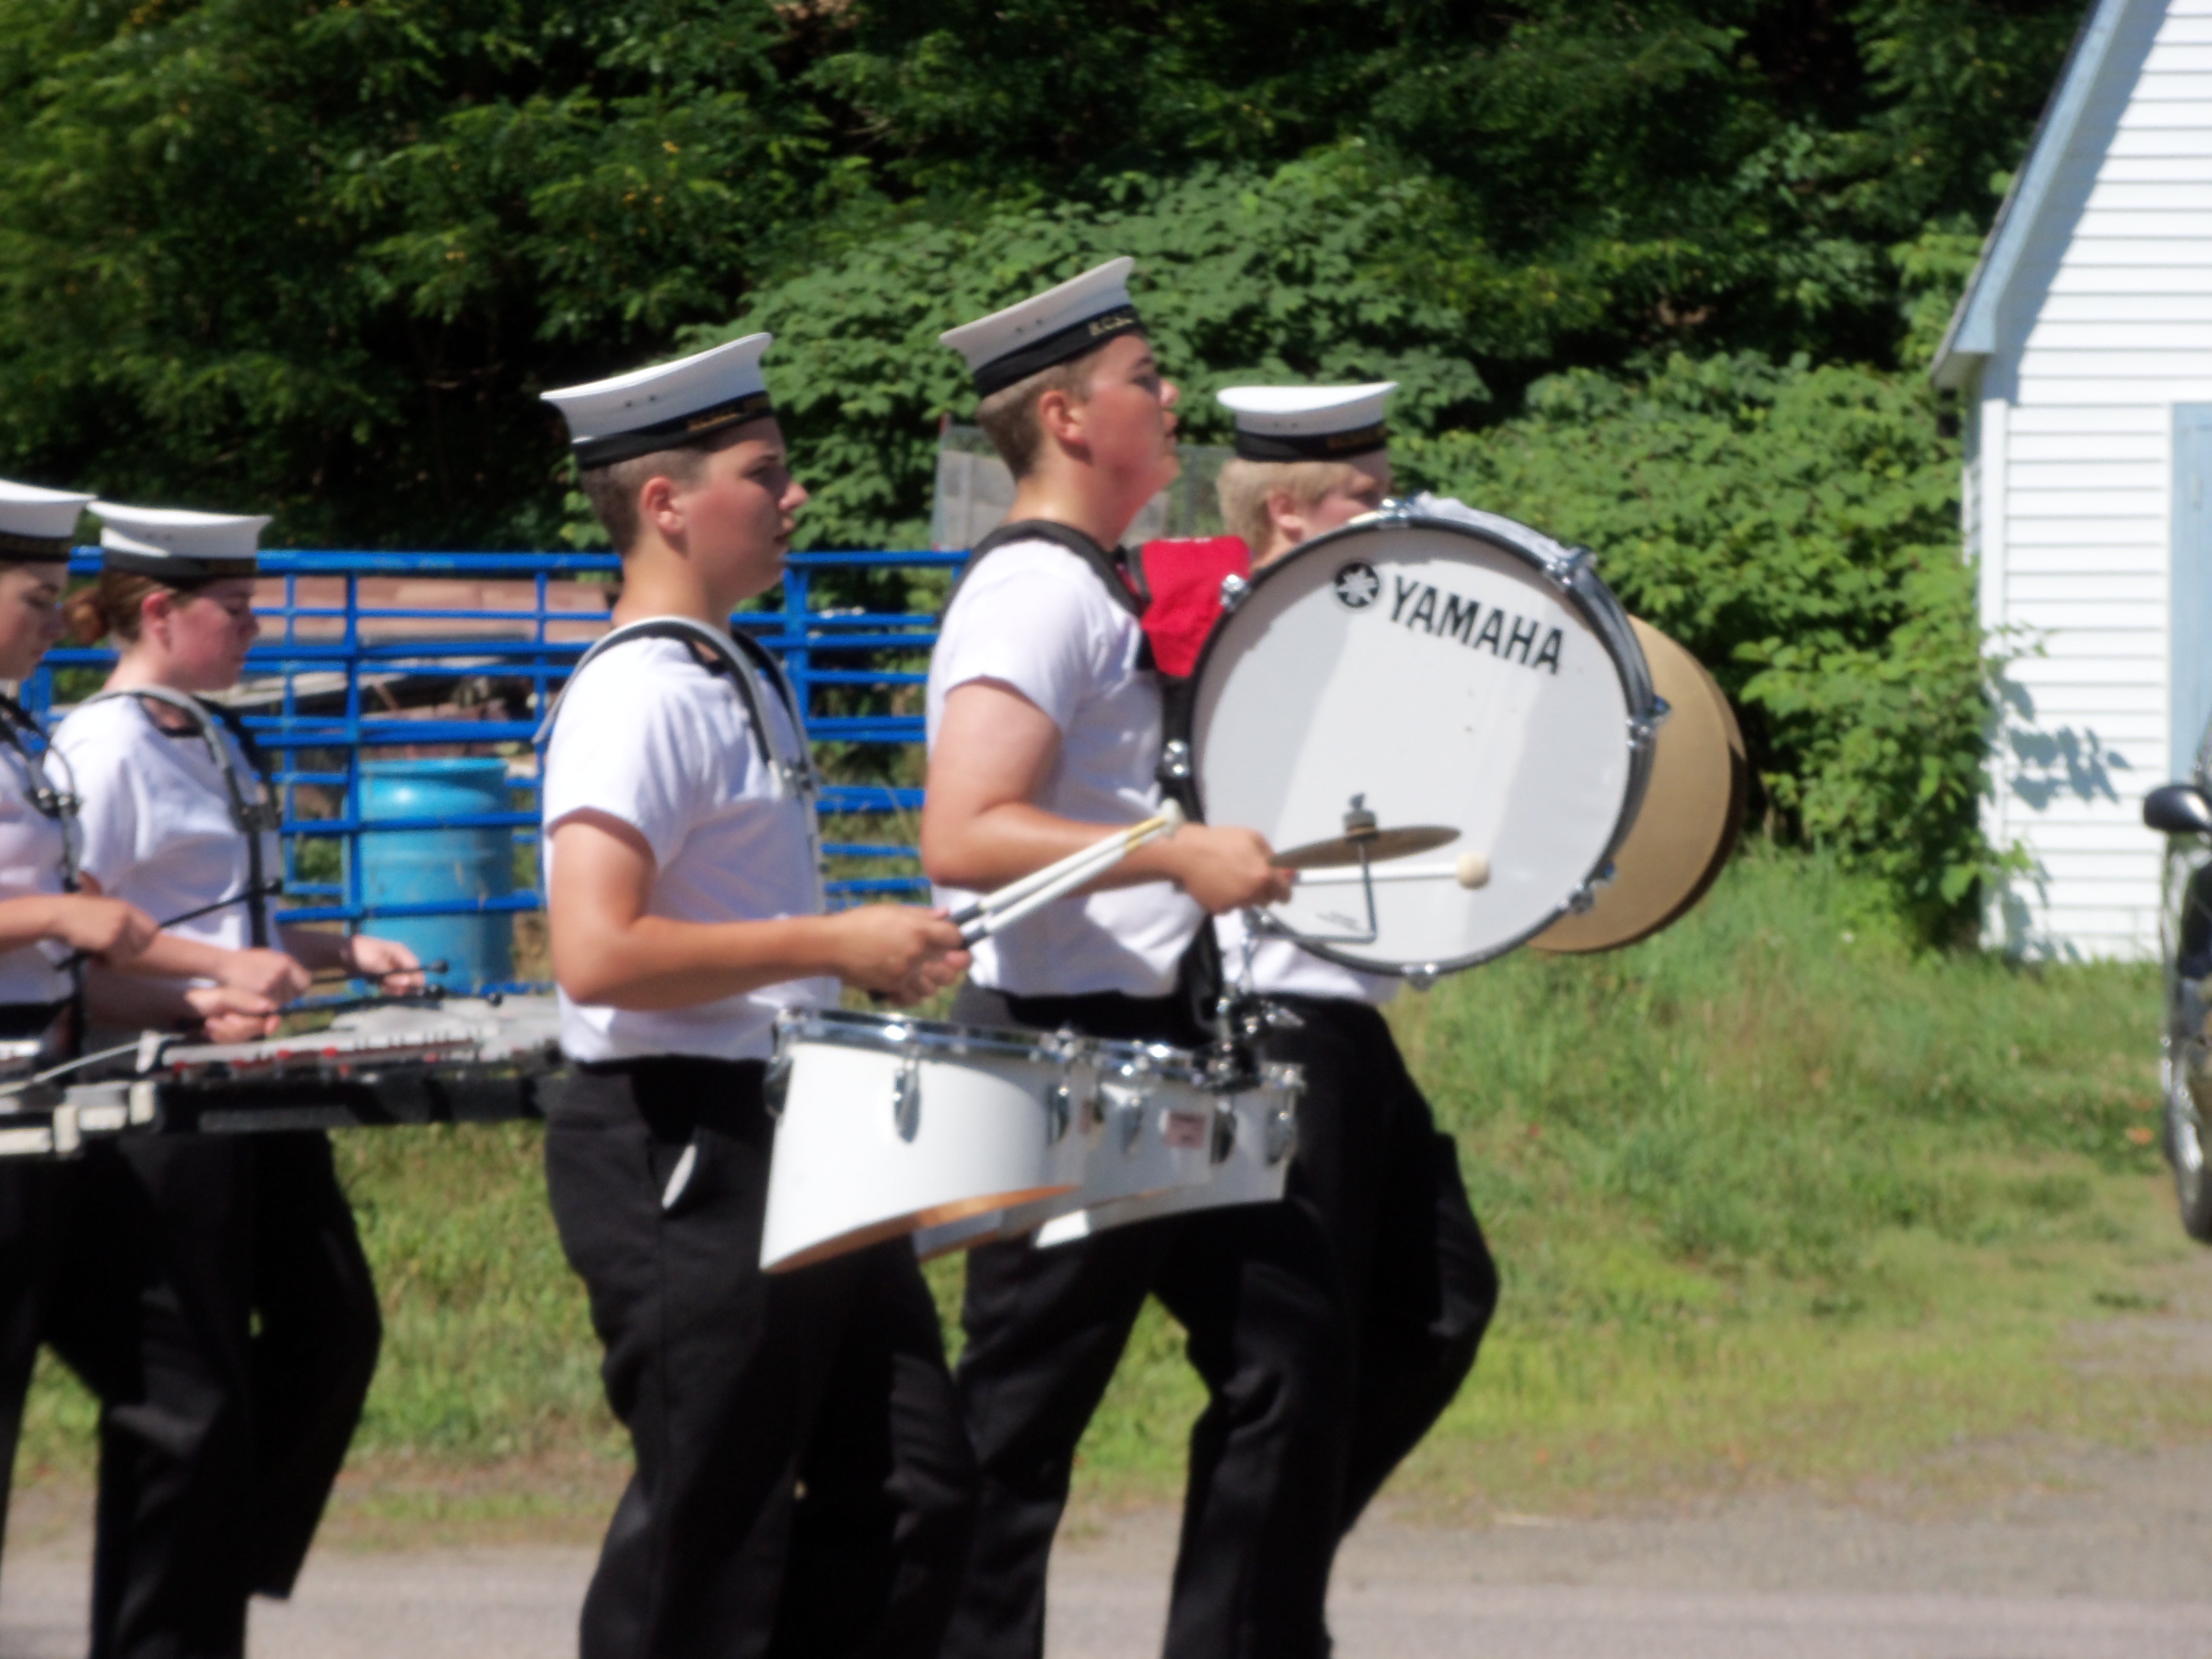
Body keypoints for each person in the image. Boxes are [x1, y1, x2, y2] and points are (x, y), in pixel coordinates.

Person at [921, 259, 1356, 1659]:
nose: (1172, 400)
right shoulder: (1032, 594)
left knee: (1291, 1353)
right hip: (1066, 1060)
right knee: (1013, 1438)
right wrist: (1178, 855)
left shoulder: (1090, 582)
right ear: (1065, 417)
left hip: (1153, 1048)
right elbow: (964, 829)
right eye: (1144, 380)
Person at [536, 331, 977, 1659]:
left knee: (910, 1492)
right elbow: (596, 952)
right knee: (712, 1533)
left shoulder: (731, 670)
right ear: (663, 503)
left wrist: (850, 960)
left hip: (790, 1126)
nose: (795, 495)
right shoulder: (638, 695)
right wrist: (833, 941)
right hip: (682, 1134)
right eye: (763, 472)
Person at [47, 501, 406, 1659]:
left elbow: (223, 926)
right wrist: (198, 1003)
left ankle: (212, 1564)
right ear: (160, 611)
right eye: (236, 611)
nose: (256, 630)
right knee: (188, 1405)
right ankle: (173, 1615)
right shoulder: (103, 751)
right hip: (160, 1099)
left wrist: (341, 950)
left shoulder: (207, 733)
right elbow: (79, 961)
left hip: (248, 1083)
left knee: (331, 1326)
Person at [1189, 384, 1499, 1540]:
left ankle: (1271, 1589)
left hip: (1344, 1016)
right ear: (1288, 510)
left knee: (1437, 1305)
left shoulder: (1354, 636)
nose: (1392, 515)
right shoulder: (1257, 642)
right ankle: (1253, 1603)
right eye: (1367, 498)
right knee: (1290, 1364)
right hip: (1273, 1013)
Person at [0, 480, 275, 1629]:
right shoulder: (76, 738)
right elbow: (65, 918)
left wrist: (191, 984)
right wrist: (61, 916)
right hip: (26, 1098)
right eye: (34, 596)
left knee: (188, 1394)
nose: (57, 620)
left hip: (53, 1105)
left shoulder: (19, 734)